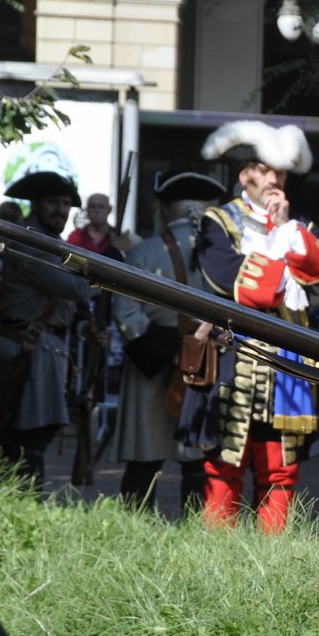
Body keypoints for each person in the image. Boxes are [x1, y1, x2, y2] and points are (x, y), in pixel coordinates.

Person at [188, 120, 319, 534]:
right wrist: (283, 260)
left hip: (285, 362)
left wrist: (285, 231)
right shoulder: (218, 221)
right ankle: (219, 550)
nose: (275, 179)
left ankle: (273, 550)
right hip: (235, 354)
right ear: (245, 174)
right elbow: (235, 281)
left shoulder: (292, 225)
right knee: (224, 461)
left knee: (280, 467)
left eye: (281, 172)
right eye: (266, 170)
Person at [111, 171, 227, 514]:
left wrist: (160, 350)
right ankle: (195, 526)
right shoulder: (221, 255)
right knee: (195, 456)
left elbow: (126, 312)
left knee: (144, 454)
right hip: (205, 361)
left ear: (163, 210)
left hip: (151, 361)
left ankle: (136, 523)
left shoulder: (144, 252)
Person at [0, 170, 92, 491]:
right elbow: (73, 287)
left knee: (30, 435)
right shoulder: (30, 240)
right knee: (29, 437)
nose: (60, 210)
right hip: (27, 346)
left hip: (44, 348)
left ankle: (13, 501)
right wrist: (106, 267)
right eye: (52, 202)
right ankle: (20, 506)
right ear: (36, 204)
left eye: (65, 203)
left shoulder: (53, 243)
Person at [66, 192, 131, 258]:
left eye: (101, 207)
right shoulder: (76, 236)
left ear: (110, 209)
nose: (96, 210)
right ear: (86, 210)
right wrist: (115, 249)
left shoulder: (119, 237)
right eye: (92, 207)